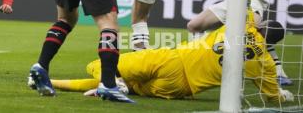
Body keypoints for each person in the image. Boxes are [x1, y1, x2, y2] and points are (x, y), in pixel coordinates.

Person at [50, 21, 294, 103]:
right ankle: (52, 82)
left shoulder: (245, 24)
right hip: (179, 89)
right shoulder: (264, 62)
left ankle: (115, 82)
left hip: (173, 60)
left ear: (261, 26)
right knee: (121, 85)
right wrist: (284, 95)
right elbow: (272, 97)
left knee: (98, 66)